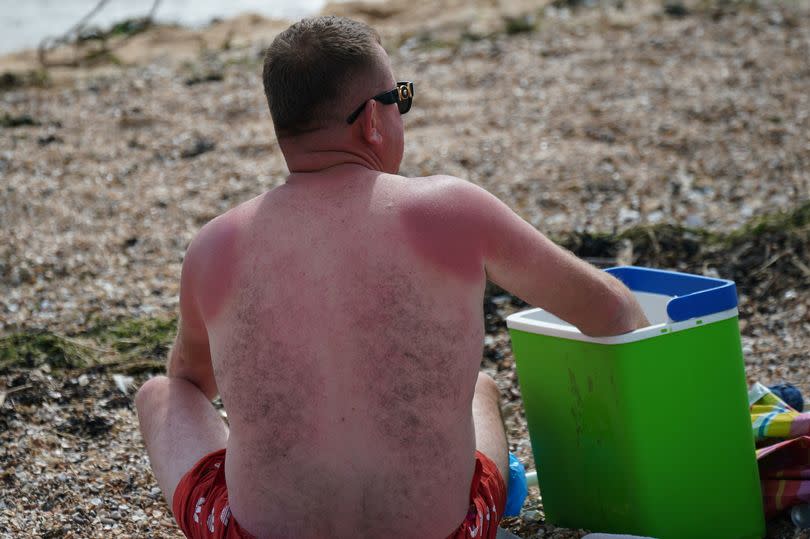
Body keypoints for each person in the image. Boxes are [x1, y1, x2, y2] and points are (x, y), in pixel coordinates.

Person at [135, 15, 650, 539]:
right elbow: (612, 314)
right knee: (480, 387)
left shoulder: (216, 245)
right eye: (399, 97)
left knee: (160, 392)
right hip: (450, 534)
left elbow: (191, 381)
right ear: (372, 121)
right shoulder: (451, 209)